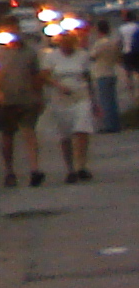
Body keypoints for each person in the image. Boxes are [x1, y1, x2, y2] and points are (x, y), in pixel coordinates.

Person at [0, 25, 49, 188]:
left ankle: (34, 170)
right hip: (6, 101)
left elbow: (37, 76)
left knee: (29, 133)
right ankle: (9, 171)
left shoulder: (30, 53)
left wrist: (39, 97)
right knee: (7, 136)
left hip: (27, 100)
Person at [44, 24, 96, 182]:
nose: (67, 47)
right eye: (63, 44)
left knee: (82, 130)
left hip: (81, 95)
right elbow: (44, 76)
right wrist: (58, 85)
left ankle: (81, 166)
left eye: (70, 44)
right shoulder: (51, 57)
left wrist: (94, 101)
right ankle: (70, 168)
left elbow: (88, 77)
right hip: (61, 98)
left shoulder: (82, 56)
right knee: (65, 135)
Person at [91, 20, 125, 136]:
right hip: (112, 72)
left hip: (102, 73)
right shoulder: (113, 42)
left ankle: (109, 125)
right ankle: (116, 123)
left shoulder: (100, 43)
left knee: (105, 101)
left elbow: (92, 56)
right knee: (113, 100)